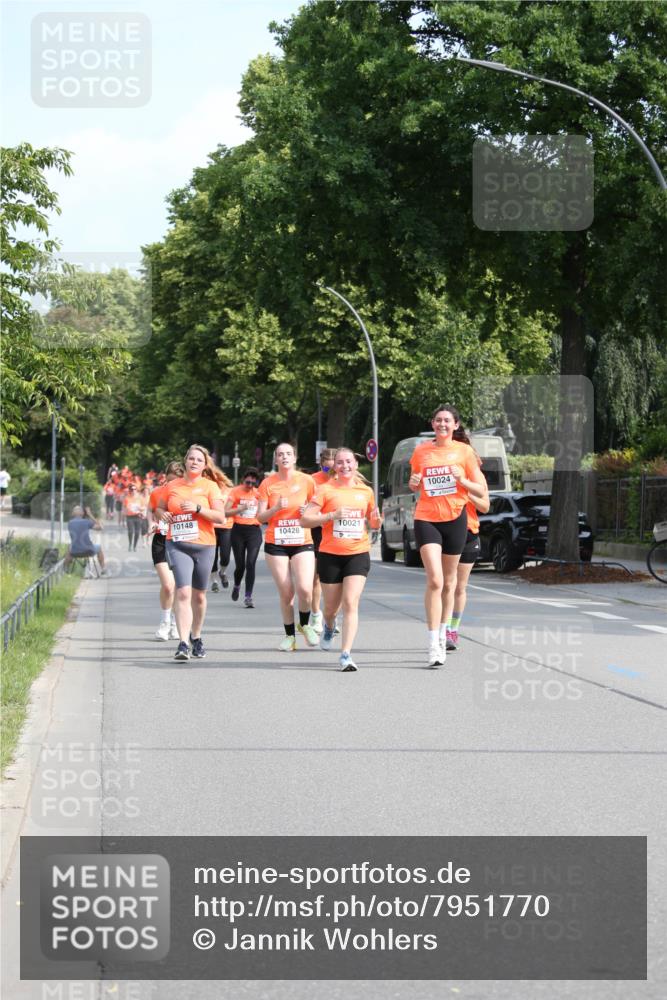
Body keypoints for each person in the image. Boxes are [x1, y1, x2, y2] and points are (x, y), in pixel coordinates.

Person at [409, 404, 488, 667]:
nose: (442, 424)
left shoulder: (465, 452)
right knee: (434, 580)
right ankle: (433, 643)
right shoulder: (421, 451)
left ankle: (444, 633)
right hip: (427, 517)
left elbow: (480, 489)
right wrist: (413, 483)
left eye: (447, 421)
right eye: (438, 420)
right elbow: (415, 481)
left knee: (449, 583)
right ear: (432, 424)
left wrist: (461, 480)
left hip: (456, 519)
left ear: (455, 425)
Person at [301, 447, 382, 672]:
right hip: (330, 555)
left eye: (349, 462)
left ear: (355, 464)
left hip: (357, 552)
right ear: (334, 466)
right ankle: (328, 626)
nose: (345, 466)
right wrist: (331, 516)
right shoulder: (325, 490)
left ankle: (346, 654)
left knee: (350, 603)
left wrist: (377, 521)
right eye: (340, 462)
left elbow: (373, 523)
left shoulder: (366, 491)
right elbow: (305, 520)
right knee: (330, 609)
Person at [157, 444, 227, 661]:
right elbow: (159, 508)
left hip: (204, 545)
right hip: (177, 544)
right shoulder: (172, 486)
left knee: (199, 595)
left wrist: (198, 509)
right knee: (183, 592)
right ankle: (183, 643)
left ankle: (196, 636)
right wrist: (163, 515)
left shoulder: (210, 487)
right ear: (185, 461)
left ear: (205, 465)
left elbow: (220, 517)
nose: (194, 462)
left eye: (199, 459)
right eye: (191, 458)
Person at [257, 443, 319, 651]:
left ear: (295, 458)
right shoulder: (268, 483)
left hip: (302, 541)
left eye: (288, 454)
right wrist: (275, 508)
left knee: (305, 589)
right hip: (277, 543)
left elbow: (319, 511)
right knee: (286, 592)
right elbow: (260, 517)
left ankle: (305, 624)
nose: (284, 457)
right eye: (280, 454)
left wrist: (307, 511)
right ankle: (290, 636)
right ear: (275, 460)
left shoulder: (307, 481)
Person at [445, 431, 490, 651]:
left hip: (469, 531)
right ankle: (441, 628)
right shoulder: (442, 469)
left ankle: (453, 629)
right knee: (446, 583)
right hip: (445, 530)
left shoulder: (473, 476)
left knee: (459, 586)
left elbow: (485, 506)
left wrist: (464, 490)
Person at [147, 461, 183, 641]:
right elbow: (150, 510)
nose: (171, 485)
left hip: (181, 540)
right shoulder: (157, 492)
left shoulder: (186, 495)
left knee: (178, 586)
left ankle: (177, 623)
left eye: (175, 481)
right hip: (161, 540)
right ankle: (164, 622)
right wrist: (151, 523)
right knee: (168, 585)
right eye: (169, 481)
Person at [308, 447, 336, 634]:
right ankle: (316, 616)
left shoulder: (342, 480)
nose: (330, 473)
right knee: (316, 577)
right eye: (327, 469)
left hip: (336, 531)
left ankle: (330, 616)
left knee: (334, 579)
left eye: (333, 470)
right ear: (321, 464)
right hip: (317, 531)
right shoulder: (312, 480)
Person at [225, 468, 262, 607]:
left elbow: (265, 510)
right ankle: (236, 585)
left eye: (253, 483)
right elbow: (225, 512)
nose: (250, 485)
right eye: (247, 482)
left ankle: (248, 596)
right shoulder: (235, 492)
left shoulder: (258, 494)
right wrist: (240, 509)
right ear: (243, 480)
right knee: (240, 565)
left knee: (250, 563)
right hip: (238, 531)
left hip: (254, 531)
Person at [209, 471, 234, 592]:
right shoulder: (208, 489)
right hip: (211, 527)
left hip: (226, 527)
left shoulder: (230, 491)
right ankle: (214, 581)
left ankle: (222, 572)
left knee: (225, 556)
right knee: (212, 556)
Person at [64, 505, 107, 572]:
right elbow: (101, 527)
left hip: (74, 552)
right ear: (83, 513)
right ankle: (103, 569)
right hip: (88, 550)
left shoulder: (70, 523)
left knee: (69, 547)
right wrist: (90, 514)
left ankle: (66, 569)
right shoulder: (86, 522)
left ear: (73, 513)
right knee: (99, 547)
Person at [123, 483, 143, 551]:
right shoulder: (127, 498)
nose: (133, 490)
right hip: (129, 517)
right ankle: (130, 545)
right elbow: (124, 509)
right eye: (132, 489)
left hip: (138, 516)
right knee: (130, 532)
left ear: (136, 490)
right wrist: (123, 521)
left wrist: (140, 509)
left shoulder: (140, 498)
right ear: (130, 490)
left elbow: (144, 507)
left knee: (137, 532)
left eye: (135, 489)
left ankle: (135, 546)